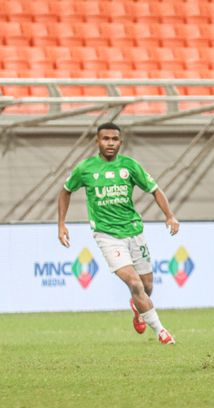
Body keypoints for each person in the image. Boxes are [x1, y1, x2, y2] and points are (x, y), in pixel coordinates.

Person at [57, 122, 179, 344]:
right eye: (106, 139)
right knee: (134, 283)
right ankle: (161, 331)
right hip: (107, 235)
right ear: (97, 142)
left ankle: (137, 307)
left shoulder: (130, 166)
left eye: (114, 139)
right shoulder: (85, 169)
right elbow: (65, 191)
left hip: (134, 231)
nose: (110, 143)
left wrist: (169, 215)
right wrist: (61, 224)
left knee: (146, 287)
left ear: (120, 142)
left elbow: (155, 190)